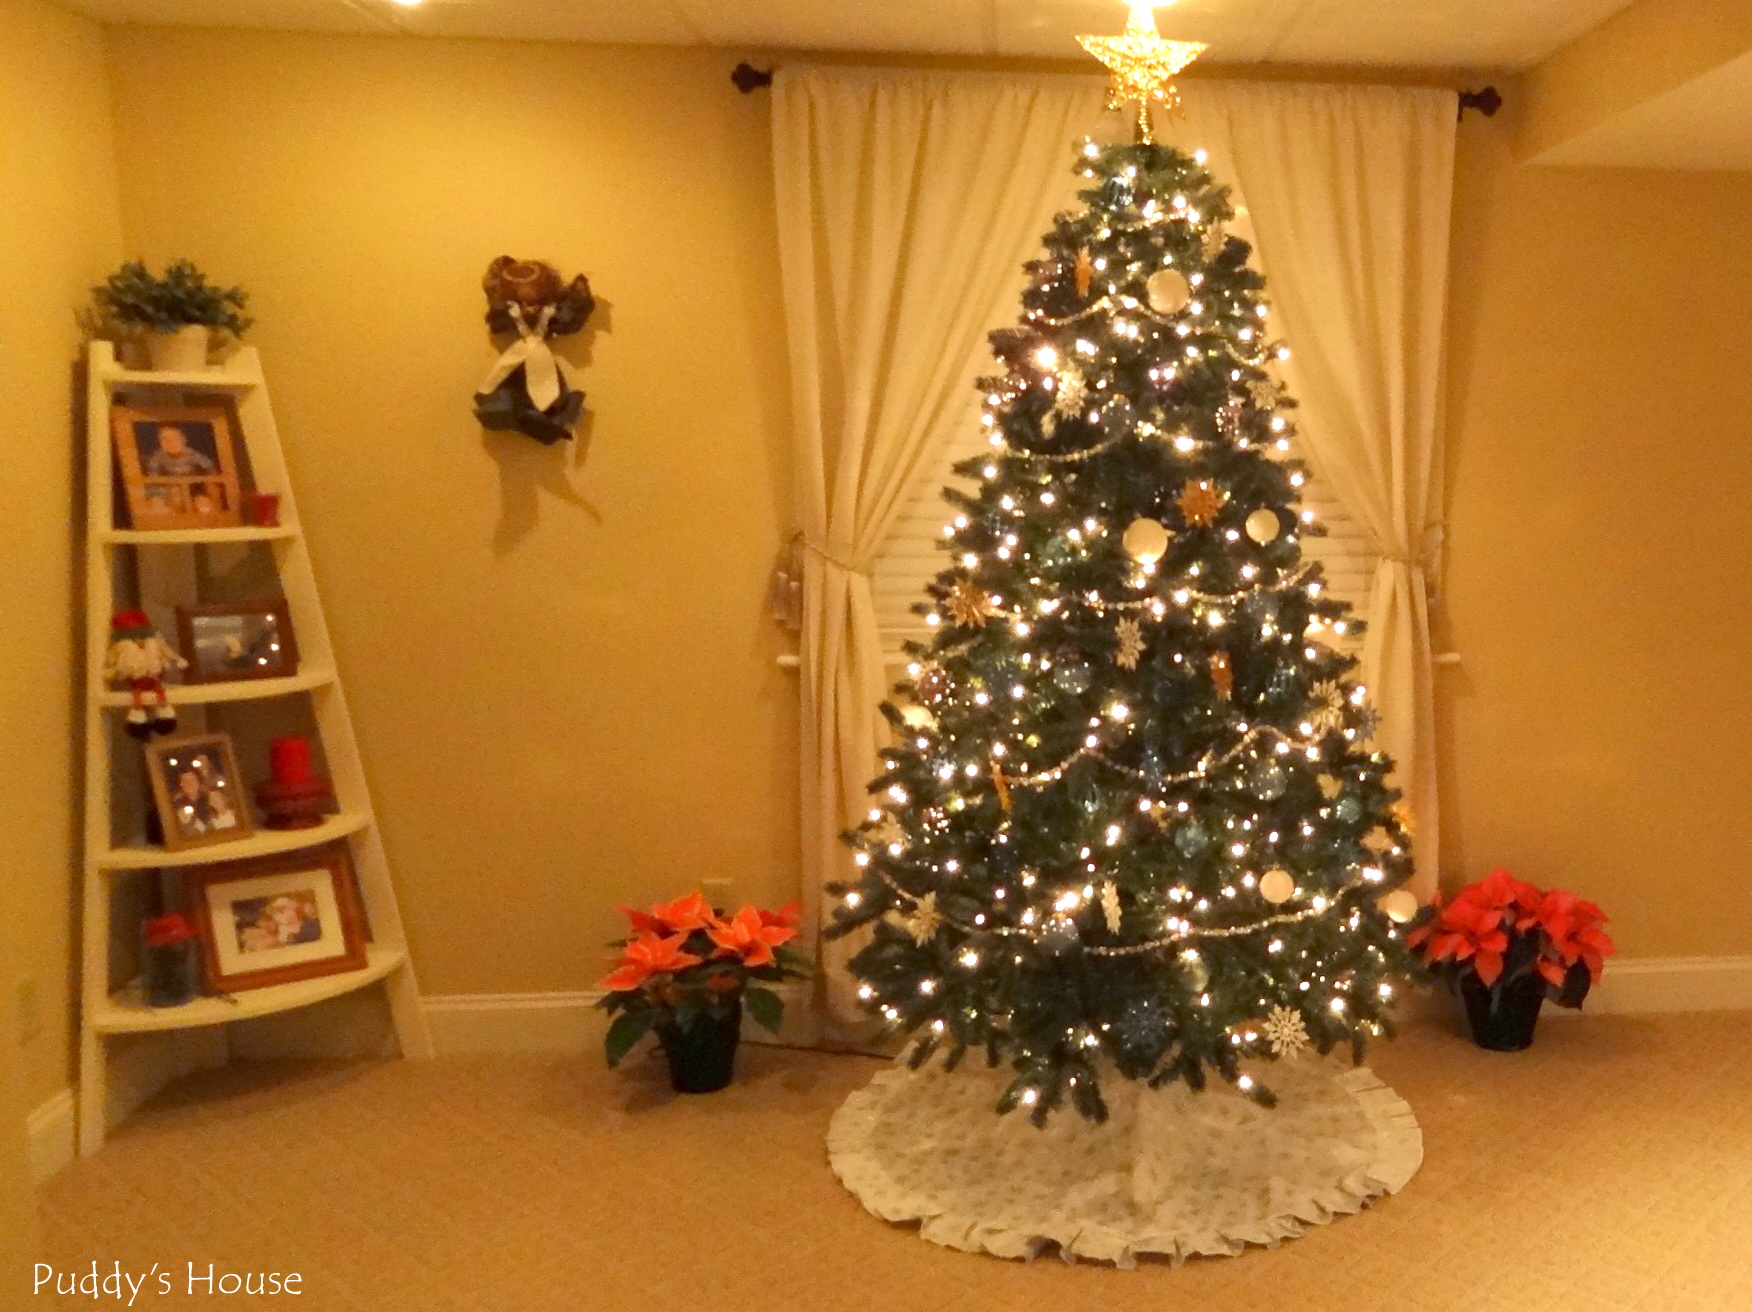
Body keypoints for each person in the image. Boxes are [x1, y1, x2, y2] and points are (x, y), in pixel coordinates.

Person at [141, 423, 216, 477]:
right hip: (169, 487)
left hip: (191, 486)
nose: (170, 442)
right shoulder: (159, 456)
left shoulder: (191, 454)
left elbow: (209, 466)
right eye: (165, 439)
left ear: (183, 440)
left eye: (175, 438)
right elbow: (152, 471)